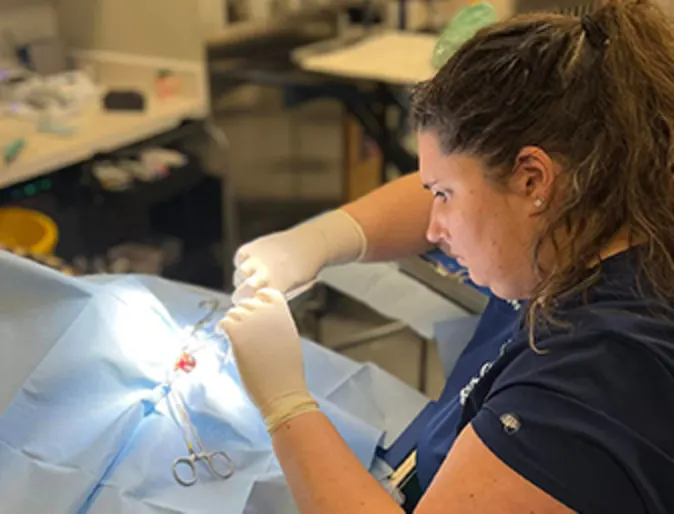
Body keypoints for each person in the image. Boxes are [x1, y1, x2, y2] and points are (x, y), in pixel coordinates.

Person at [221, 0, 674, 511]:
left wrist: (286, 406)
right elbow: (470, 174)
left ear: (533, 179)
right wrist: (320, 239)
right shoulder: (607, 206)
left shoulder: (594, 379)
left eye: (443, 196)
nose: (434, 227)